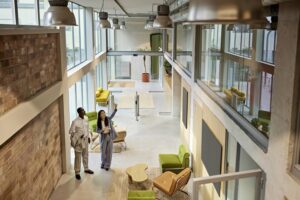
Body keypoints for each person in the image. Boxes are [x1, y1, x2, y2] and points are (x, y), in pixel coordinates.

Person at [69, 107, 94, 180]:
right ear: (79, 113)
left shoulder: (86, 118)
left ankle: (86, 169)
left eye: (84, 110)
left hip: (85, 140)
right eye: (82, 111)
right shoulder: (75, 121)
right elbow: (70, 131)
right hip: (79, 141)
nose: (84, 111)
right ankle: (77, 172)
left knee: (85, 155)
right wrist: (77, 135)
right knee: (78, 157)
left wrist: (88, 136)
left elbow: (87, 128)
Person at [97, 104, 118, 171]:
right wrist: (102, 131)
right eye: (102, 113)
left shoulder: (108, 119)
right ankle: (103, 163)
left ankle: (107, 165)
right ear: (100, 115)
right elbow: (97, 130)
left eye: (104, 113)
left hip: (109, 137)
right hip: (103, 138)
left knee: (109, 152)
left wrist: (115, 109)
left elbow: (112, 115)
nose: (103, 114)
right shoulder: (99, 122)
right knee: (103, 152)